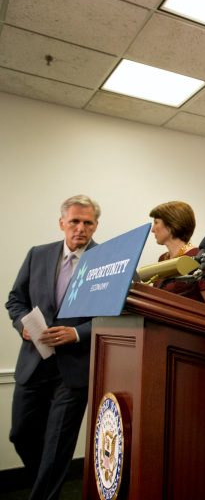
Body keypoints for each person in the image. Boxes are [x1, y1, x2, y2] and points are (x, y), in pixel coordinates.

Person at [6, 195, 101, 500]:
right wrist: (23, 325)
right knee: (20, 434)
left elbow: (121, 317)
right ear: (62, 223)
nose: (80, 229)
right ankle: (44, 484)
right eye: (74, 221)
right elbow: (15, 300)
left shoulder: (110, 260)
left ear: (96, 225)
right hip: (34, 362)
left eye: (88, 222)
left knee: (58, 446)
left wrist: (77, 333)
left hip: (74, 369)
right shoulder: (38, 255)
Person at [149, 200, 205, 308]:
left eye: (156, 222)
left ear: (171, 224)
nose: (152, 230)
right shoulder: (163, 258)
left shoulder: (198, 257)